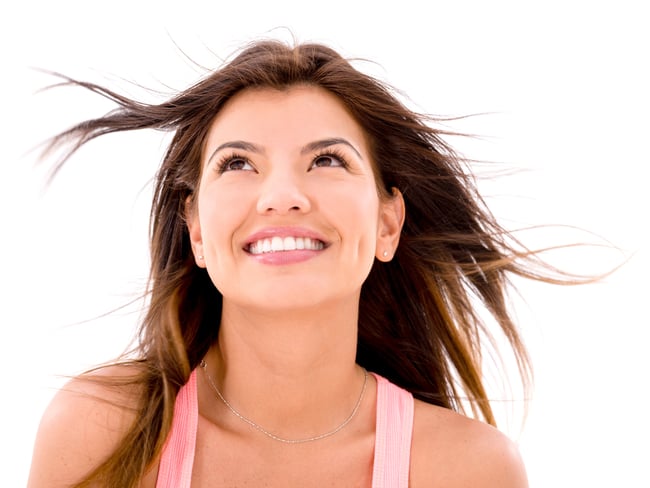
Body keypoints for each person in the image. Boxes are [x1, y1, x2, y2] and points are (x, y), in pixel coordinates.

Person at [27, 39, 538, 487]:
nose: (282, 196)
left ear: (387, 224)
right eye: (238, 164)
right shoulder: (101, 431)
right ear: (197, 229)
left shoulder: (469, 470)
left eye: (327, 160)